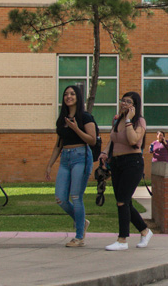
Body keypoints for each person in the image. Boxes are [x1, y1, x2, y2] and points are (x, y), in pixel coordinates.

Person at [44, 85, 98, 247]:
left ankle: (79, 236)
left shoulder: (85, 117)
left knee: (75, 196)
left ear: (78, 97)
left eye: (72, 94)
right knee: (60, 198)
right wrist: (49, 164)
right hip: (65, 159)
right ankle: (81, 222)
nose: (69, 96)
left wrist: (75, 128)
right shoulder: (62, 119)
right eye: (66, 94)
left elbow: (92, 140)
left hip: (81, 157)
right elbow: (58, 145)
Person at [101, 91, 152, 251]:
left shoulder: (139, 121)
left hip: (133, 163)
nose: (124, 104)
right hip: (117, 162)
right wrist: (104, 153)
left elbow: (133, 140)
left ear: (135, 106)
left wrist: (129, 119)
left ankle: (122, 240)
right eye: (123, 100)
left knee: (122, 201)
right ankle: (145, 231)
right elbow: (113, 139)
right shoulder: (117, 120)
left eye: (128, 101)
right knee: (124, 201)